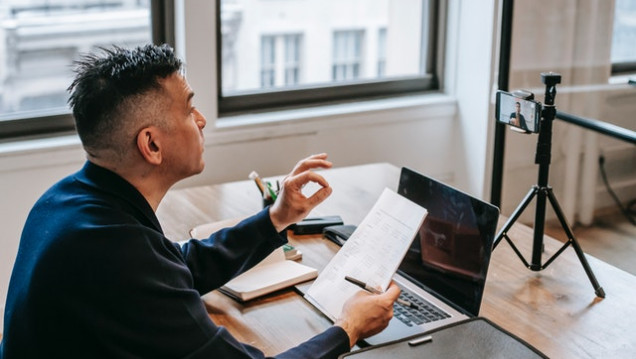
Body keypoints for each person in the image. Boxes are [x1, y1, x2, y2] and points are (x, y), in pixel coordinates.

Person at [0, 44, 400, 358]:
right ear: (152, 144)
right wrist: (348, 328)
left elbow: (178, 265)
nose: (202, 120)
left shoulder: (67, 201)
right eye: (190, 109)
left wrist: (275, 218)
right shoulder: (114, 252)